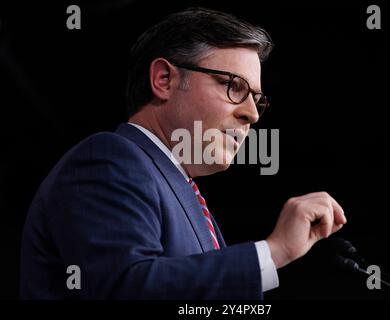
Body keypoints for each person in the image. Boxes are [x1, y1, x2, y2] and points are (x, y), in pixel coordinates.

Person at [20, 7, 346, 299]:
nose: (253, 114)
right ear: (164, 79)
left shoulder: (180, 188)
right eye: (233, 86)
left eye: (257, 99)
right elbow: (123, 287)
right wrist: (274, 252)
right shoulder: (107, 158)